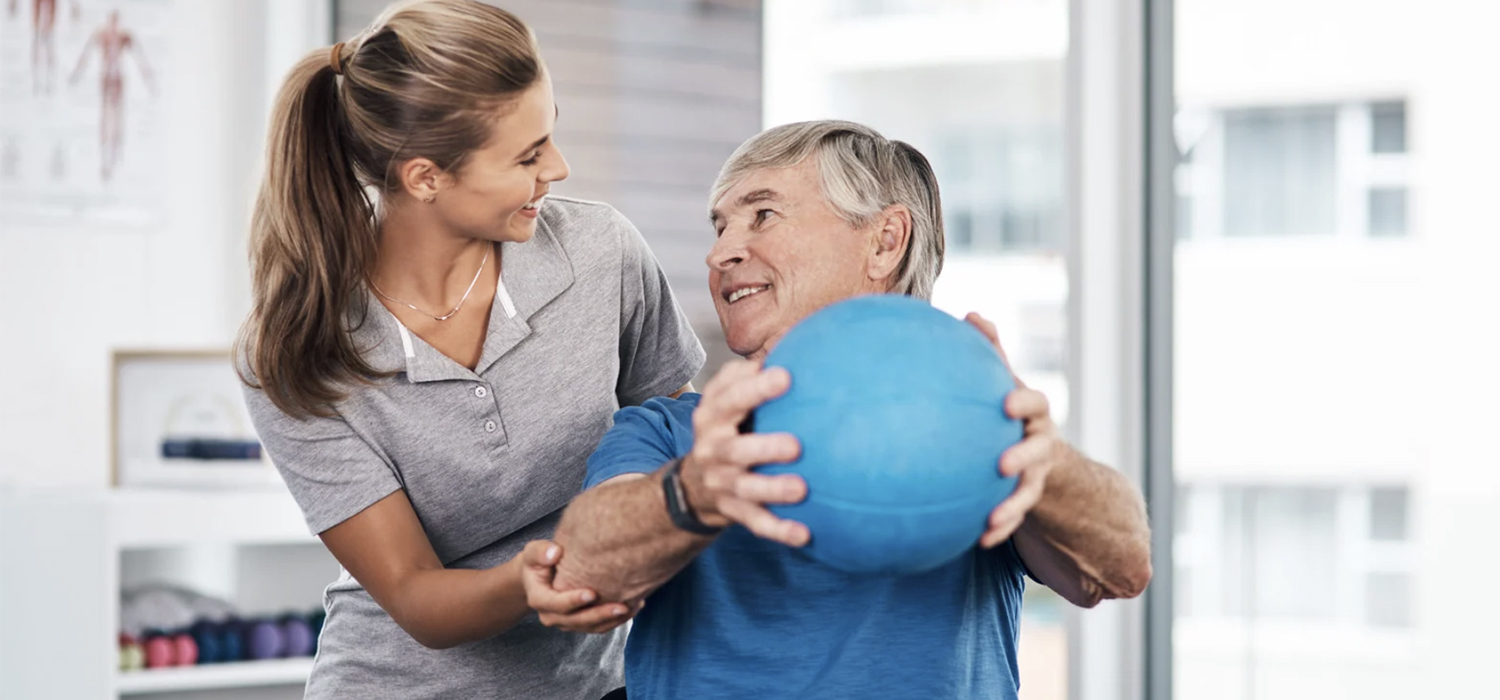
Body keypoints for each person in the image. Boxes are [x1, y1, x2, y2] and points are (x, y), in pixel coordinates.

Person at [534, 120, 1154, 699]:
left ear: (885, 242)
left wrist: (1047, 465)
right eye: (720, 227)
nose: (720, 253)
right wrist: (693, 492)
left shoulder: (980, 424)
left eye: (763, 215)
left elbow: (1119, 570)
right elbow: (582, 571)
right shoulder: (671, 432)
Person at [236, 1, 703, 698]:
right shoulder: (296, 353)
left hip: (595, 685)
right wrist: (531, 580)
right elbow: (413, 592)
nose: (560, 168)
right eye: (527, 155)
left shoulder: (602, 255)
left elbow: (677, 437)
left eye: (551, 134)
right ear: (425, 177)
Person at [69, 9, 155, 180]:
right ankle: (105, 156)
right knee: (106, 116)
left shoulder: (124, 36)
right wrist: (76, 74)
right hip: (106, 78)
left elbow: (140, 59)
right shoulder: (102, 35)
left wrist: (149, 80)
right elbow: (85, 54)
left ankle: (116, 152)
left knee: (117, 116)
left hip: (117, 79)